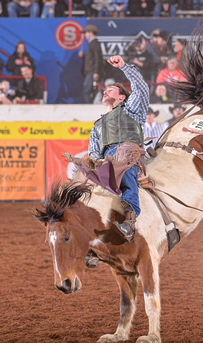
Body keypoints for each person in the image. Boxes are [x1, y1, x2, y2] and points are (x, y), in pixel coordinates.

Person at [87, 55, 149, 242]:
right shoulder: (97, 125)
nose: (105, 91)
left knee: (124, 157)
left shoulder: (131, 109)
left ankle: (129, 222)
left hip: (128, 154)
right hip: (107, 162)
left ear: (122, 97)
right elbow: (93, 153)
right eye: (105, 89)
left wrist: (123, 66)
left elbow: (142, 88)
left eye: (111, 89)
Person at [79, 24, 104, 104]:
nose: (85, 35)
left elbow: (98, 59)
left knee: (85, 91)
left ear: (90, 32)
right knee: (88, 91)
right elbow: (92, 59)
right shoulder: (92, 43)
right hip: (90, 71)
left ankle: (90, 108)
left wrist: (96, 72)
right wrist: (83, 57)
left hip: (92, 71)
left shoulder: (95, 43)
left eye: (86, 33)